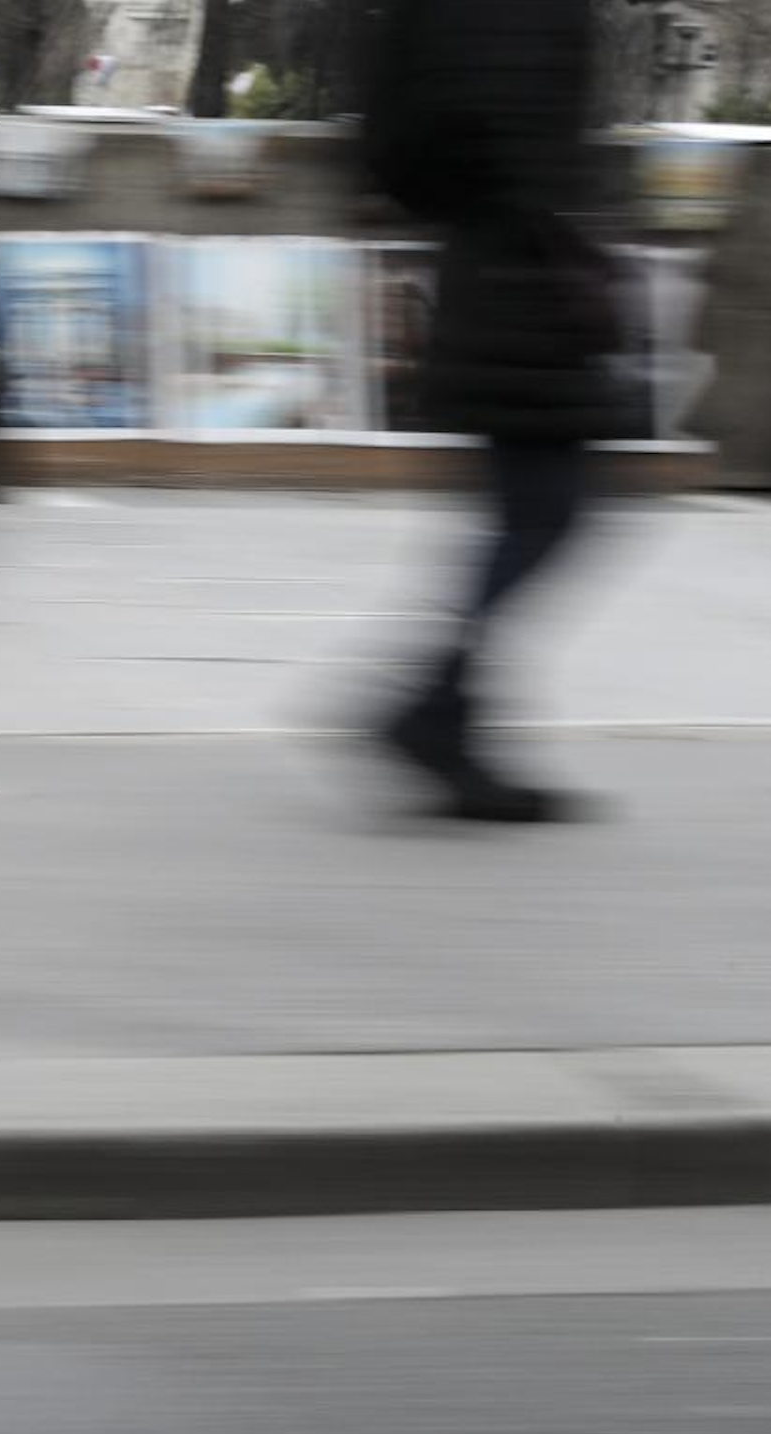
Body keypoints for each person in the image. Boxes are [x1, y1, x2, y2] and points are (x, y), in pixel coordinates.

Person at [358, 0, 629, 822]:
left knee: (535, 508)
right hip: (527, 280)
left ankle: (440, 713)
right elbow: (510, 129)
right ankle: (432, 711)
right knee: (549, 508)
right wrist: (553, 236)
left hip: (497, 266)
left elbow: (398, 142)